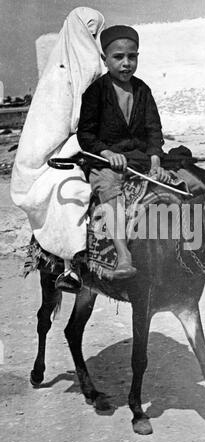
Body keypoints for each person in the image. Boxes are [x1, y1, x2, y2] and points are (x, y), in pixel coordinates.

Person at [10, 7, 105, 292]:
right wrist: (85, 139)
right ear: (78, 32)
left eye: (96, 32)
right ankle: (71, 263)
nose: (93, 37)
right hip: (54, 156)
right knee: (73, 188)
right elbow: (52, 130)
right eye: (90, 31)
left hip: (88, 143)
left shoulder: (94, 67)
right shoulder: (58, 76)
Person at [77, 25, 174, 281]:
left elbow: (154, 131)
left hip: (140, 159)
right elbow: (85, 135)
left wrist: (156, 162)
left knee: (181, 184)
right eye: (118, 57)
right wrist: (107, 153)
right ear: (104, 60)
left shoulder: (143, 90)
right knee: (109, 187)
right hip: (104, 162)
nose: (126, 63)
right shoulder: (95, 93)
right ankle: (123, 256)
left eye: (132, 56)